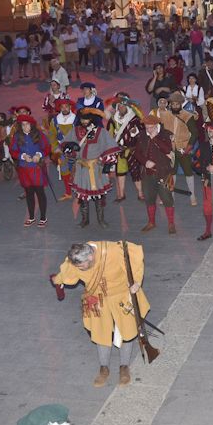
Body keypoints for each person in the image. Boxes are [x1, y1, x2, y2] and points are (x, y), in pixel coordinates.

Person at [51, 241, 150, 387]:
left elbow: (135, 257)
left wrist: (136, 282)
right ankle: (104, 369)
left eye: (82, 266)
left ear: (91, 257)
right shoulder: (76, 258)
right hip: (97, 300)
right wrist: (57, 280)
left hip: (121, 296)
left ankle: (124, 367)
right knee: (100, 333)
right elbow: (67, 275)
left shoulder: (115, 251)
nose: (80, 269)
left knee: (127, 333)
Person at [61, 108, 120, 228]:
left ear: (91, 119)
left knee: (99, 197)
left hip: (96, 168)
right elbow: (65, 145)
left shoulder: (100, 132)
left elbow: (111, 147)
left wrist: (105, 162)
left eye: (86, 119)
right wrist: (70, 147)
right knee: (83, 197)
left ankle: (101, 220)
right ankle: (85, 220)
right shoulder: (75, 130)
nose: (84, 121)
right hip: (82, 168)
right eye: (82, 119)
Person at [132, 114, 177, 234]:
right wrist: (145, 162)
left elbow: (168, 150)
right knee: (149, 198)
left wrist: (155, 138)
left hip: (165, 173)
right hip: (148, 174)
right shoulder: (141, 135)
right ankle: (151, 222)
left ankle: (171, 224)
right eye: (147, 127)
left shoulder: (166, 134)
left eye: (151, 127)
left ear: (157, 125)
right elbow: (137, 153)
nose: (149, 130)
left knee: (167, 199)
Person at [9, 114, 51, 227]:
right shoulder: (17, 136)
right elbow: (13, 151)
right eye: (22, 125)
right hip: (24, 169)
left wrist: (39, 154)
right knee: (29, 193)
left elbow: (47, 148)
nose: (25, 127)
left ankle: (43, 217)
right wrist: (22, 156)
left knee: (40, 193)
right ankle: (31, 217)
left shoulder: (39, 134)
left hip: (37, 168)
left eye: (27, 124)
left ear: (31, 125)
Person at [160, 92, 199, 205]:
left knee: (188, 172)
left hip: (183, 148)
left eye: (177, 104)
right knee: (171, 173)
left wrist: (188, 147)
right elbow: (161, 131)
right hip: (169, 148)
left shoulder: (187, 116)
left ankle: (192, 196)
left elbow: (195, 133)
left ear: (181, 104)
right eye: (173, 104)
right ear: (170, 104)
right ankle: (170, 196)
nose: (175, 106)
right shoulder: (165, 115)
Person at [107, 93, 144, 202]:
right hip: (119, 150)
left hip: (132, 149)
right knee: (120, 172)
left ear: (127, 106)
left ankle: (141, 193)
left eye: (123, 105)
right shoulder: (113, 119)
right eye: (120, 106)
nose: (121, 107)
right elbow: (109, 133)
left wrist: (135, 132)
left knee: (135, 172)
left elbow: (142, 133)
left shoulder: (135, 119)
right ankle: (121, 194)